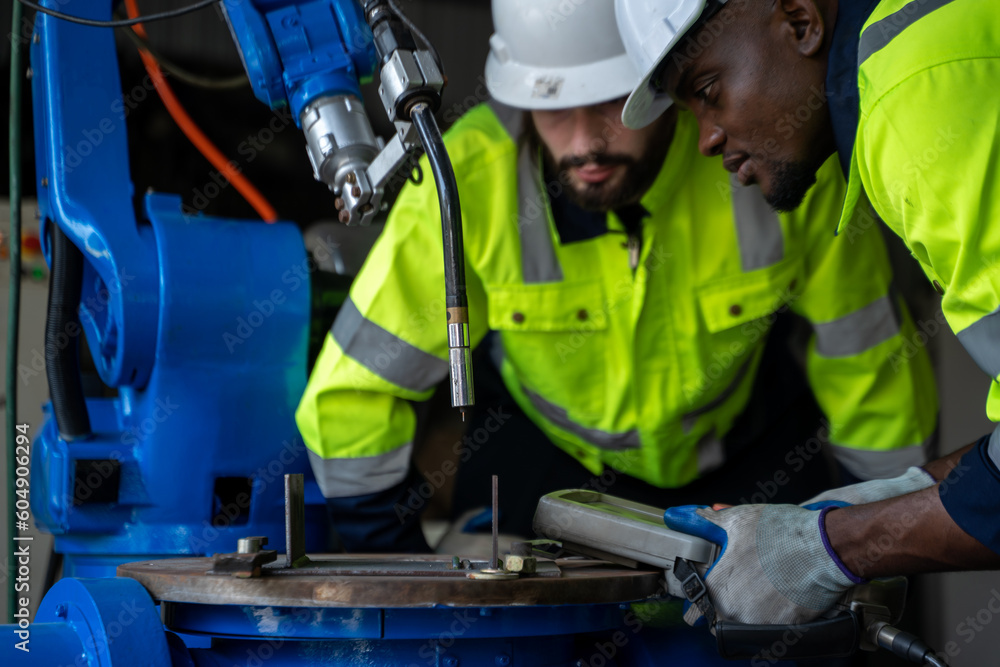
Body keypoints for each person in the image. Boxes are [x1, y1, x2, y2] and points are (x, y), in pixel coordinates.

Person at [295, 0, 936, 558]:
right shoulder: (466, 182)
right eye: (552, 107)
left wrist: (877, 542)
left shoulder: (763, 150)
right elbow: (351, 396)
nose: (584, 143)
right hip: (547, 463)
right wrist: (406, 574)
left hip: (745, 461)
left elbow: (870, 369)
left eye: (610, 102)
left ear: (667, 81)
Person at [612, 0, 1000, 627]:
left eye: (709, 90)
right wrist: (890, 500)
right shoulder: (916, 51)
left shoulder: (911, 101)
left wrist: (830, 549)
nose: (706, 139)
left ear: (800, 22)